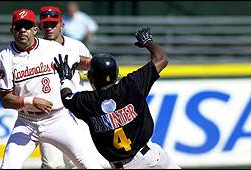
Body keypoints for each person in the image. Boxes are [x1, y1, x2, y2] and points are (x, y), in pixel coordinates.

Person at [53, 27, 181, 169]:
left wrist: (64, 79)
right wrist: (148, 42)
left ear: (91, 78)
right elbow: (161, 59)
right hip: (152, 156)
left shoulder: (87, 101)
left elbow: (67, 97)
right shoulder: (131, 85)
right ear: (116, 74)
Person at [0, 8, 102, 169]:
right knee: (9, 166)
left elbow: (81, 62)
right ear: (12, 30)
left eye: (27, 25)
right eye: (18, 26)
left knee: (89, 164)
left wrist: (104, 66)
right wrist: (32, 101)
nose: (22, 30)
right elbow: (5, 100)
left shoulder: (51, 48)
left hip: (57, 118)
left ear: (35, 29)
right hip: (26, 121)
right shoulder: (5, 56)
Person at [37, 6, 110, 169]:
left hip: (75, 111)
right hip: (49, 113)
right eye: (46, 24)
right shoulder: (35, 50)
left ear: (62, 25)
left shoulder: (76, 46)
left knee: (77, 162)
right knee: (51, 164)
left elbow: (93, 76)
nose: (49, 28)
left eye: (53, 24)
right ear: (40, 26)